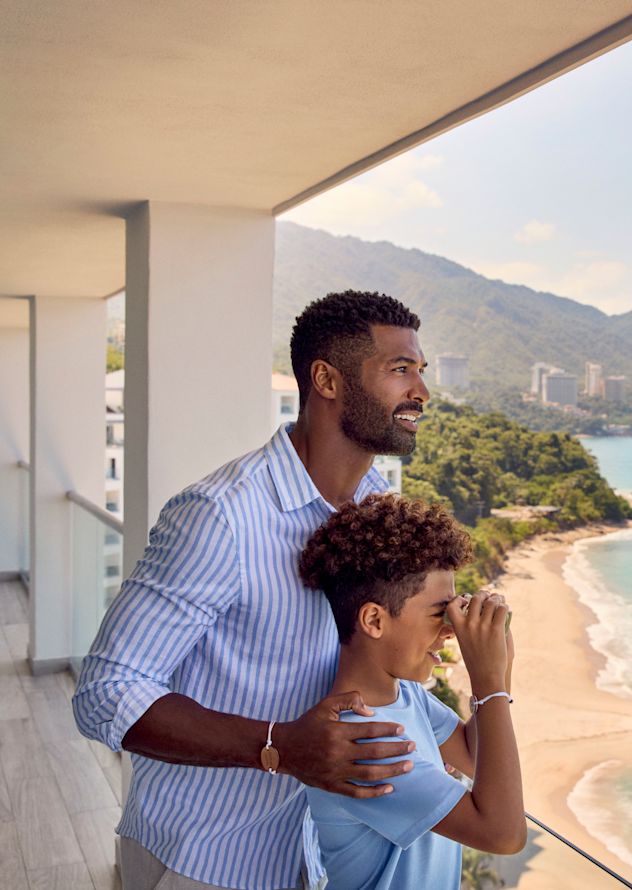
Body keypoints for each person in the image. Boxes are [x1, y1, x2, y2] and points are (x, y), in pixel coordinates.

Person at [72, 290, 431, 890]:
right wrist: (281, 746)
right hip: (200, 860)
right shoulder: (221, 515)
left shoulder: (377, 509)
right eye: (401, 370)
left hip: (312, 858)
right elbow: (106, 691)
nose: (420, 390)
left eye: (421, 371)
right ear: (327, 380)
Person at [299, 493, 526, 890]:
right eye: (440, 614)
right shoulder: (361, 741)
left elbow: (475, 756)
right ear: (373, 619)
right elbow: (504, 834)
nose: (451, 629)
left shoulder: (404, 694)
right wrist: (488, 686)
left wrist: (499, 669)